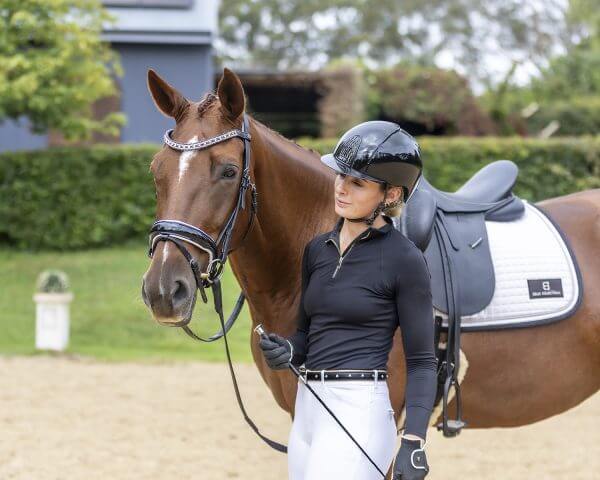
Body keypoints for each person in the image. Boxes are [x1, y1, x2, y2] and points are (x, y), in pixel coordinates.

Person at [259, 121, 437, 480]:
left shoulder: (404, 259)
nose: (340, 188)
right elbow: (309, 334)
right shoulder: (317, 250)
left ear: (390, 195)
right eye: (340, 175)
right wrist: (290, 351)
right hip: (308, 408)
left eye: (357, 182)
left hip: (358, 409)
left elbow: (421, 361)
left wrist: (414, 441)